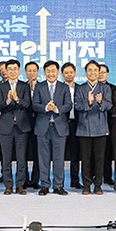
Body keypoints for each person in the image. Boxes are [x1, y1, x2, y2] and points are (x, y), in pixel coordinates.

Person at [32, 61, 72, 196]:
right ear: (44, 72)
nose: (51, 73)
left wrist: (56, 109)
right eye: (48, 71)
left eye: (53, 71)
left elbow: (68, 105)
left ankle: (58, 186)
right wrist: (45, 107)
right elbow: (34, 105)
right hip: (43, 127)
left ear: (58, 72)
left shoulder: (64, 87)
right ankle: (44, 185)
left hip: (59, 127)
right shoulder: (39, 86)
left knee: (59, 159)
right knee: (43, 158)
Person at [74, 60, 112, 195]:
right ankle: (86, 185)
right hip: (84, 128)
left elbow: (109, 106)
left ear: (99, 72)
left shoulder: (105, 88)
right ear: (85, 72)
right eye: (90, 70)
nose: (93, 72)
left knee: (99, 158)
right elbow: (77, 106)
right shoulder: (80, 88)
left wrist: (100, 102)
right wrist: (89, 103)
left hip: (101, 128)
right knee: (85, 159)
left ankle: (98, 185)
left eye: (95, 70)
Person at [0, 59, 32, 195]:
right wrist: (8, 101)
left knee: (22, 158)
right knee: (6, 158)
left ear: (19, 70)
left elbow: (27, 104)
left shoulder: (24, 86)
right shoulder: (0, 87)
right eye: (9, 69)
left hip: (22, 127)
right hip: (5, 127)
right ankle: (8, 185)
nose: (12, 71)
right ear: (6, 71)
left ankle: (20, 185)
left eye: (15, 69)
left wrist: (17, 99)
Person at [62, 62, 82, 189]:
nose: (69, 75)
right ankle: (59, 182)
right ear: (62, 74)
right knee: (60, 155)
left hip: (76, 124)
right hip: (62, 124)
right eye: (66, 73)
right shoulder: (58, 88)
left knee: (75, 154)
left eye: (71, 72)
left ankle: (75, 180)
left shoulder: (80, 88)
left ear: (75, 73)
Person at [24, 61, 41, 189]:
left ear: (38, 72)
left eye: (34, 70)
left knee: (38, 153)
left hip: (39, 123)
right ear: (25, 72)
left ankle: (35, 180)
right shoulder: (21, 87)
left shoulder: (43, 86)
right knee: (23, 153)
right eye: (29, 71)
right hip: (24, 123)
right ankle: (24, 179)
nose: (31, 73)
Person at [99, 64, 115, 186]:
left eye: (103, 72)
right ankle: (95, 175)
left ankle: (107, 176)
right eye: (98, 72)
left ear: (107, 74)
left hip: (109, 123)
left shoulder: (113, 88)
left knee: (107, 152)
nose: (100, 74)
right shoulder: (90, 88)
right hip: (94, 124)